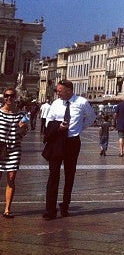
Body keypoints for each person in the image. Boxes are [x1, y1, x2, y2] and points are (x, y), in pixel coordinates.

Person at [43, 79, 96, 220]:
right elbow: (49, 120)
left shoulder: (82, 102)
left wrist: (79, 128)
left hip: (72, 141)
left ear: (68, 90)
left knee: (69, 174)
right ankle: (50, 209)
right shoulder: (55, 104)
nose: (57, 93)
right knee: (53, 174)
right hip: (57, 141)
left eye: (59, 91)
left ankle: (65, 204)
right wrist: (58, 127)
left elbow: (91, 117)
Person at [0, 88, 28, 218]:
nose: (9, 98)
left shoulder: (21, 115)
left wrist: (22, 128)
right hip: (0, 149)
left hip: (14, 149)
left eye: (11, 96)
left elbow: (22, 134)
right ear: (3, 97)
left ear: (15, 97)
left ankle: (7, 209)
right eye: (6, 96)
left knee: (11, 178)